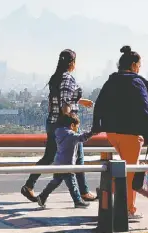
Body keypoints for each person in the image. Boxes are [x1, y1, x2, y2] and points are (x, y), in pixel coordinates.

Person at [92, 45, 148, 219]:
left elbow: (99, 104)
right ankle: (128, 210)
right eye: (138, 65)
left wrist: (97, 126)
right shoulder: (137, 82)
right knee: (130, 172)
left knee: (123, 169)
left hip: (112, 133)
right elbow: (145, 109)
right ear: (132, 64)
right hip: (131, 134)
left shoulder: (111, 81)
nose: (139, 68)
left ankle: (108, 190)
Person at [21, 49, 97, 202]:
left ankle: (29, 185)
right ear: (72, 63)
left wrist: (81, 101)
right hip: (64, 125)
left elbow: (61, 99)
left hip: (52, 122)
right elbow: (66, 104)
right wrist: (70, 125)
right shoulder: (68, 79)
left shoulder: (55, 78)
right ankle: (83, 192)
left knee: (49, 157)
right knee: (78, 157)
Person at [36, 113, 96, 209]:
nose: (77, 129)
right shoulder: (71, 135)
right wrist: (93, 132)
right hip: (67, 164)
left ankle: (42, 196)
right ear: (72, 125)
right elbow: (82, 137)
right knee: (72, 183)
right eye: (77, 127)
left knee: (55, 182)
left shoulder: (59, 132)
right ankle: (78, 201)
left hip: (58, 163)